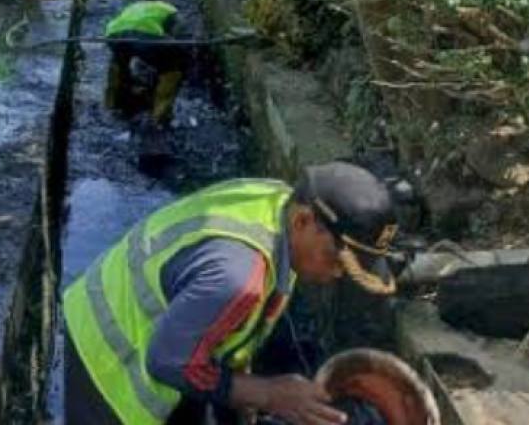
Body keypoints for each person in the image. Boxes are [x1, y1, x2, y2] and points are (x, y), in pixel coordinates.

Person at [63, 161, 400, 425]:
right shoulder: (237, 277)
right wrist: (269, 394)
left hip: (149, 313)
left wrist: (245, 392)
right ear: (303, 221)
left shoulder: (278, 202)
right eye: (336, 259)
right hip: (107, 358)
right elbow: (166, 361)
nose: (339, 273)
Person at [104, 1, 185, 128]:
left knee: (119, 64)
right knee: (172, 68)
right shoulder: (173, 11)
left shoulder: (135, 6)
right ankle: (159, 118)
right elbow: (175, 37)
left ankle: (112, 104)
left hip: (113, 34)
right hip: (146, 36)